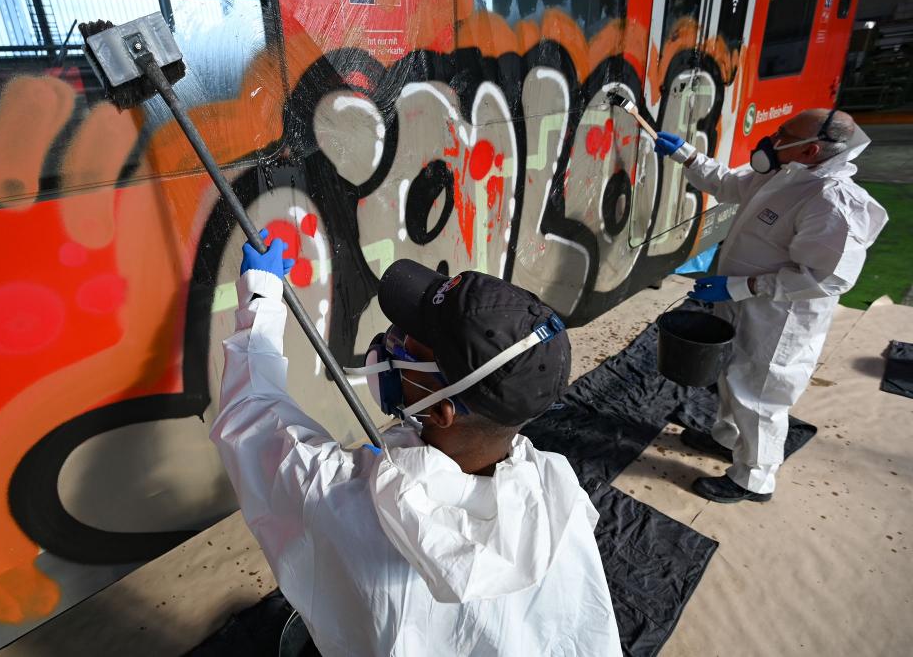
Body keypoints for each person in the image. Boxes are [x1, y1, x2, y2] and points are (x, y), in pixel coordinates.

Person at [210, 233, 621, 656]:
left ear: (443, 411)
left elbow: (250, 417)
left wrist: (260, 298)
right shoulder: (558, 503)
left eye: (407, 344)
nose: (392, 342)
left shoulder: (339, 498)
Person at [655, 109, 888, 503]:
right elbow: (730, 185)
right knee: (731, 375)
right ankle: (728, 439)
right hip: (742, 301)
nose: (774, 137)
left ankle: (754, 479)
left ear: (812, 149)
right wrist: (689, 157)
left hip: (781, 317)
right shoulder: (786, 170)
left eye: (783, 133)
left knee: (760, 394)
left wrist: (743, 286)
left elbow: (826, 278)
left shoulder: (830, 202)